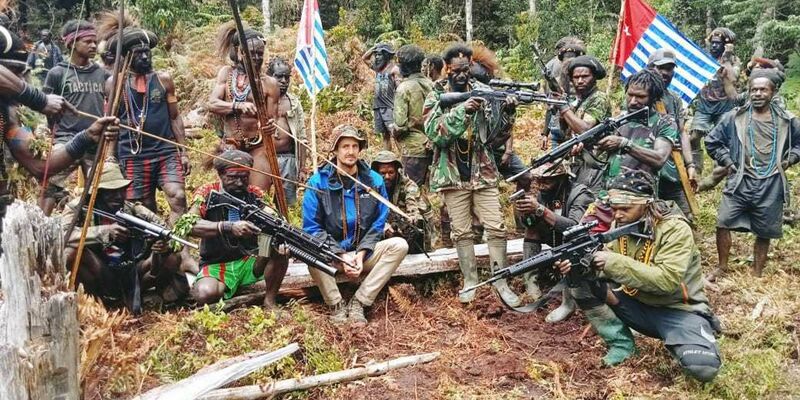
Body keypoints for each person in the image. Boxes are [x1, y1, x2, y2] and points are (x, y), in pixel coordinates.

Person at [554, 170, 721, 382]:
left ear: (646, 204)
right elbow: (606, 266)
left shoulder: (675, 229)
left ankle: (687, 336)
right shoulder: (623, 223)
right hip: (636, 305)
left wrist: (610, 261)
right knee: (582, 282)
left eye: (625, 208)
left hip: (678, 310)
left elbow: (667, 281)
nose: (617, 215)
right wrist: (580, 266)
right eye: (614, 209)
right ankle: (621, 344)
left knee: (702, 368)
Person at [0, 24, 118, 255]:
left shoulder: (7, 118)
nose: (21, 79)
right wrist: (39, 100)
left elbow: (40, 166)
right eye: (15, 73)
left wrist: (87, 136)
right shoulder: (55, 75)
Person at [424, 43, 520, 306]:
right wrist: (463, 111)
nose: (462, 75)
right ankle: (470, 281)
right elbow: (435, 133)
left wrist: (508, 114)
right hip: (452, 175)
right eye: (456, 70)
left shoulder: (483, 92)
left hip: (483, 172)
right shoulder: (435, 95)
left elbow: (496, 137)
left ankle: (501, 280)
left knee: (496, 226)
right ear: (446, 69)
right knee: (462, 231)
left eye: (466, 70)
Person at [302, 125, 408, 325]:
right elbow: (312, 228)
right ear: (335, 150)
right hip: (332, 256)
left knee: (399, 246)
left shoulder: (374, 181)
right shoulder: (318, 183)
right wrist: (341, 256)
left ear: (360, 150)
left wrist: (360, 255)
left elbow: (378, 224)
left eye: (354, 146)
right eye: (344, 146)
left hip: (363, 254)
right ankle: (336, 304)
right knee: (307, 250)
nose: (350, 151)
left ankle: (360, 301)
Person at [705, 71, 800, 280]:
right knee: (723, 221)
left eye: (762, 89)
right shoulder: (735, 118)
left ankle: (756, 273)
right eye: (753, 90)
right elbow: (712, 141)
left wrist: (790, 159)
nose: (757, 94)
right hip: (740, 180)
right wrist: (728, 161)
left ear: (772, 92)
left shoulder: (787, 120)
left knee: (764, 230)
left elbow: (799, 145)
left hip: (771, 182)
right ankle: (722, 267)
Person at [63, 161, 185, 314]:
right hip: (100, 270)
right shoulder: (78, 208)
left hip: (132, 270)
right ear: (98, 192)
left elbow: (171, 236)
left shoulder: (132, 210)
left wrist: (164, 246)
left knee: (172, 257)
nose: (118, 196)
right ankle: (93, 301)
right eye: (111, 191)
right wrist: (103, 232)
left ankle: (136, 297)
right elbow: (63, 235)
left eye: (121, 190)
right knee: (71, 253)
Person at [186, 150, 290, 308]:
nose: (240, 183)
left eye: (244, 177)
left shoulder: (255, 194)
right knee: (204, 293)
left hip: (253, 260)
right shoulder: (206, 193)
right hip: (216, 265)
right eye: (233, 177)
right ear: (220, 174)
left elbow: (272, 216)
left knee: (279, 248)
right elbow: (188, 224)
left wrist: (273, 227)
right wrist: (227, 227)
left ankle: (269, 300)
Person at [107, 27, 190, 224]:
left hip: (165, 152)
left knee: (178, 197)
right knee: (144, 207)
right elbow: (111, 123)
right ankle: (156, 252)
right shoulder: (115, 84)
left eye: (147, 52)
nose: (145, 57)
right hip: (132, 155)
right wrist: (111, 156)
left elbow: (175, 117)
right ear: (127, 56)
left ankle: (181, 251)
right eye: (138, 53)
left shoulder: (163, 80)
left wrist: (184, 152)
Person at [41, 19, 110, 215]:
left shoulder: (102, 74)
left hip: (95, 141)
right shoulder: (57, 73)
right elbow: (47, 107)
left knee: (102, 189)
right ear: (71, 43)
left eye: (95, 41)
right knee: (50, 185)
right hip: (66, 139)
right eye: (87, 41)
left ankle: (97, 236)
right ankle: (41, 234)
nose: (94, 46)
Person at [513, 162, 593, 322]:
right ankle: (531, 283)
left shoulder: (580, 194)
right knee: (532, 230)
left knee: (572, 238)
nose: (542, 186)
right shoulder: (544, 194)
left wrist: (540, 210)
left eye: (547, 181)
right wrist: (526, 214)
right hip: (556, 238)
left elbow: (575, 227)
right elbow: (529, 225)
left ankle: (569, 302)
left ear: (562, 179)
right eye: (539, 181)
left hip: (583, 245)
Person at [208, 22, 280, 191]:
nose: (256, 58)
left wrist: (269, 126)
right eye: (251, 53)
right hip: (231, 144)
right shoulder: (226, 74)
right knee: (231, 193)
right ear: (240, 53)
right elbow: (212, 103)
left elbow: (272, 120)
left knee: (257, 193)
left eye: (260, 54)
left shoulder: (269, 84)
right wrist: (238, 105)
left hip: (258, 146)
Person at [647, 49, 696, 219]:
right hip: (648, 170)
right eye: (661, 68)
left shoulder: (674, 99)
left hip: (673, 168)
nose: (665, 73)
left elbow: (682, 132)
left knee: (685, 216)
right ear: (650, 68)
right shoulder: (640, 96)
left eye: (669, 69)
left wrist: (690, 165)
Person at [690, 27, 741, 179]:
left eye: (718, 43)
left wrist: (727, 57)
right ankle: (696, 168)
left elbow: (733, 78)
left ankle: (719, 170)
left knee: (722, 139)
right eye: (712, 43)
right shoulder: (703, 57)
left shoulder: (733, 60)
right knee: (693, 137)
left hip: (724, 106)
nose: (714, 46)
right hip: (704, 105)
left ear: (724, 45)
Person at [557, 55, 612, 192]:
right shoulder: (579, 100)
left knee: (585, 204)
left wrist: (563, 108)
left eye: (585, 76)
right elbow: (566, 130)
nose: (580, 81)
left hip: (593, 166)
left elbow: (585, 129)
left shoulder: (599, 98)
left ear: (594, 78)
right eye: (576, 77)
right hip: (576, 162)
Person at [370, 150, 432, 254]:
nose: (387, 177)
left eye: (391, 172)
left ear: (397, 171)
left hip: (406, 220)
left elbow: (412, 204)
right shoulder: (371, 186)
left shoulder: (408, 185)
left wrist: (411, 218)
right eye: (383, 173)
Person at [266, 56, 306, 205]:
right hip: (263, 157)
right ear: (269, 77)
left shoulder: (294, 103)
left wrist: (302, 168)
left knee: (284, 203)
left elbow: (302, 137)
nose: (283, 81)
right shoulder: (259, 100)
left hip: (288, 159)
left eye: (286, 77)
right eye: (278, 76)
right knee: (259, 197)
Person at [392, 44, 433, 186]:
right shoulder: (431, 84)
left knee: (412, 192)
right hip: (433, 146)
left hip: (413, 149)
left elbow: (400, 124)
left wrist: (395, 132)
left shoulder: (403, 89)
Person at [542, 37, 585, 149]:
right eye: (566, 60)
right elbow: (550, 107)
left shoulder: (583, 82)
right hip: (557, 131)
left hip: (577, 133)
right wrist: (545, 134)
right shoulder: (556, 80)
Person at [362, 43, 401, 150]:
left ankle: (404, 159)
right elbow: (364, 58)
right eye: (376, 55)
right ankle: (387, 159)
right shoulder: (377, 69)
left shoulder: (394, 69)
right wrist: (374, 48)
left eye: (379, 55)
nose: (377, 57)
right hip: (378, 107)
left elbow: (400, 89)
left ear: (387, 55)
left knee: (395, 135)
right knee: (385, 135)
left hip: (389, 108)